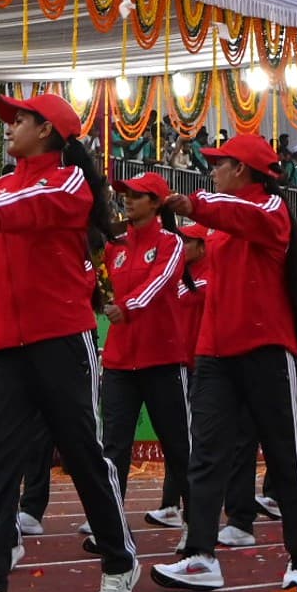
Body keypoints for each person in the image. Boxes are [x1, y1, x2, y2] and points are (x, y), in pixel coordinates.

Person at [0, 94, 142, 592]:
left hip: (60, 337)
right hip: (1, 341)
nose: (11, 128)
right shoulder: (0, 187)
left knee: (82, 452)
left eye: (21, 120)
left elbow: (32, 207)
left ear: (48, 130)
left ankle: (118, 561)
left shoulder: (67, 181)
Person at [147, 130, 297, 592]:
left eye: (220, 163)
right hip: (215, 352)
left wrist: (197, 205)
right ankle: (201, 553)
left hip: (266, 349)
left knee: (286, 451)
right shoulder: (221, 225)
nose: (213, 170)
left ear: (241, 170)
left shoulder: (269, 210)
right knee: (205, 453)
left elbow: (239, 213)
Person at [95, 174, 193, 535]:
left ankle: (195, 523)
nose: (128, 201)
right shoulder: (115, 246)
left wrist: (129, 306)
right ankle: (109, 523)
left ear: (156, 203)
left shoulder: (170, 243)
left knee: (178, 444)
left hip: (162, 359)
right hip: (121, 360)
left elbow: (161, 279)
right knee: (114, 445)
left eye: (137, 196)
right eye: (125, 195)